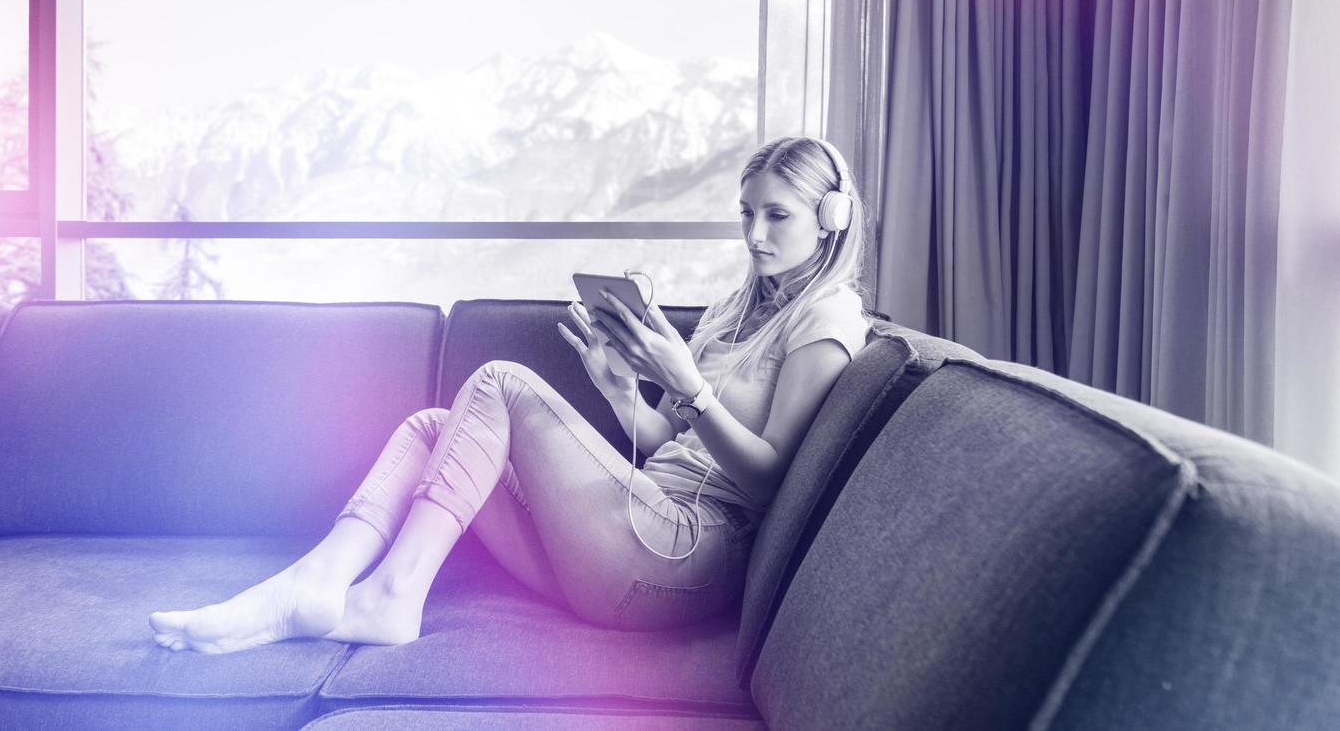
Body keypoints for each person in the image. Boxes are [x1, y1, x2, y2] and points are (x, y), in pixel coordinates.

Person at [148, 136, 871, 653]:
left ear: (829, 217)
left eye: (776, 215)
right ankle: (318, 577)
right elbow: (671, 448)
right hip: (624, 538)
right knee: (436, 425)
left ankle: (390, 596)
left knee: (498, 380)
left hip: (683, 560)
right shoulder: (733, 310)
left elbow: (774, 477)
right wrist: (621, 395)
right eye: (745, 212)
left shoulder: (828, 315)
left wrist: (688, 386)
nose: (752, 233)